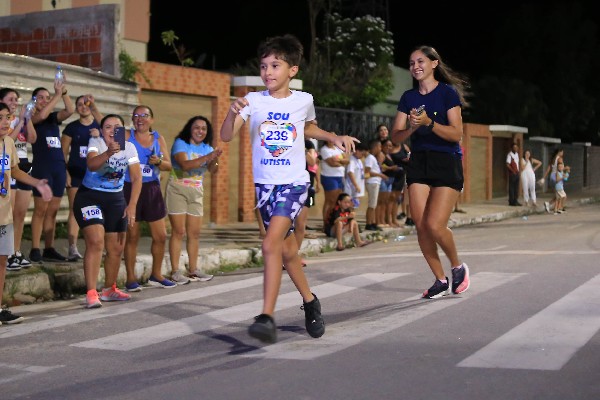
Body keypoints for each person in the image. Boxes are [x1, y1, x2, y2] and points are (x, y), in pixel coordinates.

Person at [220, 34, 358, 343]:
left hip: (294, 183)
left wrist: (332, 137)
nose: (267, 72)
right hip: (264, 187)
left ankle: (267, 316)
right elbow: (227, 136)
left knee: (270, 244)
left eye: (275, 65)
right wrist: (231, 112)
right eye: (263, 66)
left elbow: (307, 127)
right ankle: (310, 301)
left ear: (292, 70)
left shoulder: (303, 99)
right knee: (286, 251)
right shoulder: (253, 101)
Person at [389, 45, 470, 299]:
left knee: (435, 225)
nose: (415, 67)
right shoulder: (408, 98)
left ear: (434, 63)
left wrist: (429, 123)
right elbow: (395, 137)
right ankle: (440, 279)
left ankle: (457, 267)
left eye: (420, 61)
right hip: (419, 162)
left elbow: (456, 134)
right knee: (421, 226)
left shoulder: (447, 93)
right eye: (412, 63)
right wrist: (413, 128)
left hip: (446, 161)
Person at [72, 114, 142, 308]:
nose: (112, 131)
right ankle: (91, 292)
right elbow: (92, 165)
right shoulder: (96, 142)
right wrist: (109, 153)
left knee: (116, 248)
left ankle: (109, 289)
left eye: (116, 127)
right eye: (108, 127)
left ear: (123, 130)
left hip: (115, 199)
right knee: (96, 242)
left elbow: (137, 178)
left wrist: (132, 205)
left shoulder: (130, 147)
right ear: (102, 131)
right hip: (90, 197)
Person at [0, 102, 52, 324]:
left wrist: (36, 182)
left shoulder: (9, 143)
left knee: (2, 260)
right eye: (0, 118)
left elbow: (14, 170)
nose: (5, 122)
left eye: (7, 117)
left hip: (4, 213)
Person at [123, 105, 175, 291]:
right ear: (132, 119)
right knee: (132, 236)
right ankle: (131, 278)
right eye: (136, 115)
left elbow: (169, 165)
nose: (140, 118)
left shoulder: (158, 138)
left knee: (160, 236)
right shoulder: (126, 136)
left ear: (151, 119)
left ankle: (157, 274)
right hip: (129, 188)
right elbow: (107, 130)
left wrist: (158, 162)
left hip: (151, 189)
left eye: (144, 115)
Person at [166, 115, 221, 284]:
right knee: (178, 231)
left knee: (194, 233)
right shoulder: (181, 143)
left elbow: (213, 170)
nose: (200, 131)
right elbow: (185, 165)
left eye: (204, 129)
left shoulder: (207, 148)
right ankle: (175, 271)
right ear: (190, 129)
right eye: (197, 127)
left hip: (196, 191)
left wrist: (215, 159)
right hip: (178, 189)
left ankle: (193, 270)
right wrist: (208, 157)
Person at [29, 82, 76, 263]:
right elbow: (41, 115)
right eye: (40, 97)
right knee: (40, 210)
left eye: (47, 98)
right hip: (43, 168)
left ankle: (49, 248)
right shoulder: (32, 118)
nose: (44, 100)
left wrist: (63, 91)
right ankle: (35, 248)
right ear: (33, 100)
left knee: (53, 211)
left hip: (58, 167)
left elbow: (70, 110)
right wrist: (56, 96)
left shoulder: (52, 118)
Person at [61, 94, 103, 259]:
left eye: (86, 104)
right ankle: (72, 248)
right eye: (79, 104)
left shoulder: (100, 126)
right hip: (76, 175)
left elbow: (115, 135)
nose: (83, 107)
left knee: (98, 210)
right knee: (75, 209)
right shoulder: (71, 128)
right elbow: (63, 153)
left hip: (97, 175)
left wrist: (99, 135)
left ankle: (97, 246)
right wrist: (65, 173)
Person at [0, 88, 37, 271]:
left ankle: (15, 251)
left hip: (22, 167)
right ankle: (7, 254)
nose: (15, 102)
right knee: (9, 211)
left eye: (17, 99)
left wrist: (26, 120)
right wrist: (19, 121)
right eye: (11, 99)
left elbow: (32, 138)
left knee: (20, 214)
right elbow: (9, 139)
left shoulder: (19, 119)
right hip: (9, 170)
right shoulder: (6, 123)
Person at [320, 137, 349, 225]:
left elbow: (347, 161)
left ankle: (333, 221)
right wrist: (342, 162)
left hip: (340, 176)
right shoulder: (324, 150)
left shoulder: (338, 148)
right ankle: (326, 223)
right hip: (329, 177)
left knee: (337, 200)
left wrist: (339, 160)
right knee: (330, 200)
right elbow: (332, 163)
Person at [364, 139, 386, 231]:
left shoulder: (372, 158)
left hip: (375, 182)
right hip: (372, 182)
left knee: (374, 204)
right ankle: (369, 223)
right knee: (372, 204)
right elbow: (367, 171)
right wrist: (380, 175)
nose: (380, 148)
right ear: (375, 147)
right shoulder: (370, 158)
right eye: (379, 146)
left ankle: (372, 222)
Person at [343, 141, 367, 210]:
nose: (362, 156)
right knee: (349, 207)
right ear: (357, 151)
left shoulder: (359, 161)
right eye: (362, 154)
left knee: (354, 207)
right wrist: (356, 185)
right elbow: (350, 172)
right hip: (351, 189)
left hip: (356, 190)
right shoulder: (352, 160)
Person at [540, 148, 565, 213]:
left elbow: (548, 169)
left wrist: (544, 178)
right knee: (560, 193)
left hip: (552, 176)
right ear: (559, 152)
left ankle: (549, 204)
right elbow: (561, 168)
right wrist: (566, 169)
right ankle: (556, 208)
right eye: (562, 152)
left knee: (558, 193)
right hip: (557, 175)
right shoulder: (560, 159)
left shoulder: (553, 159)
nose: (563, 153)